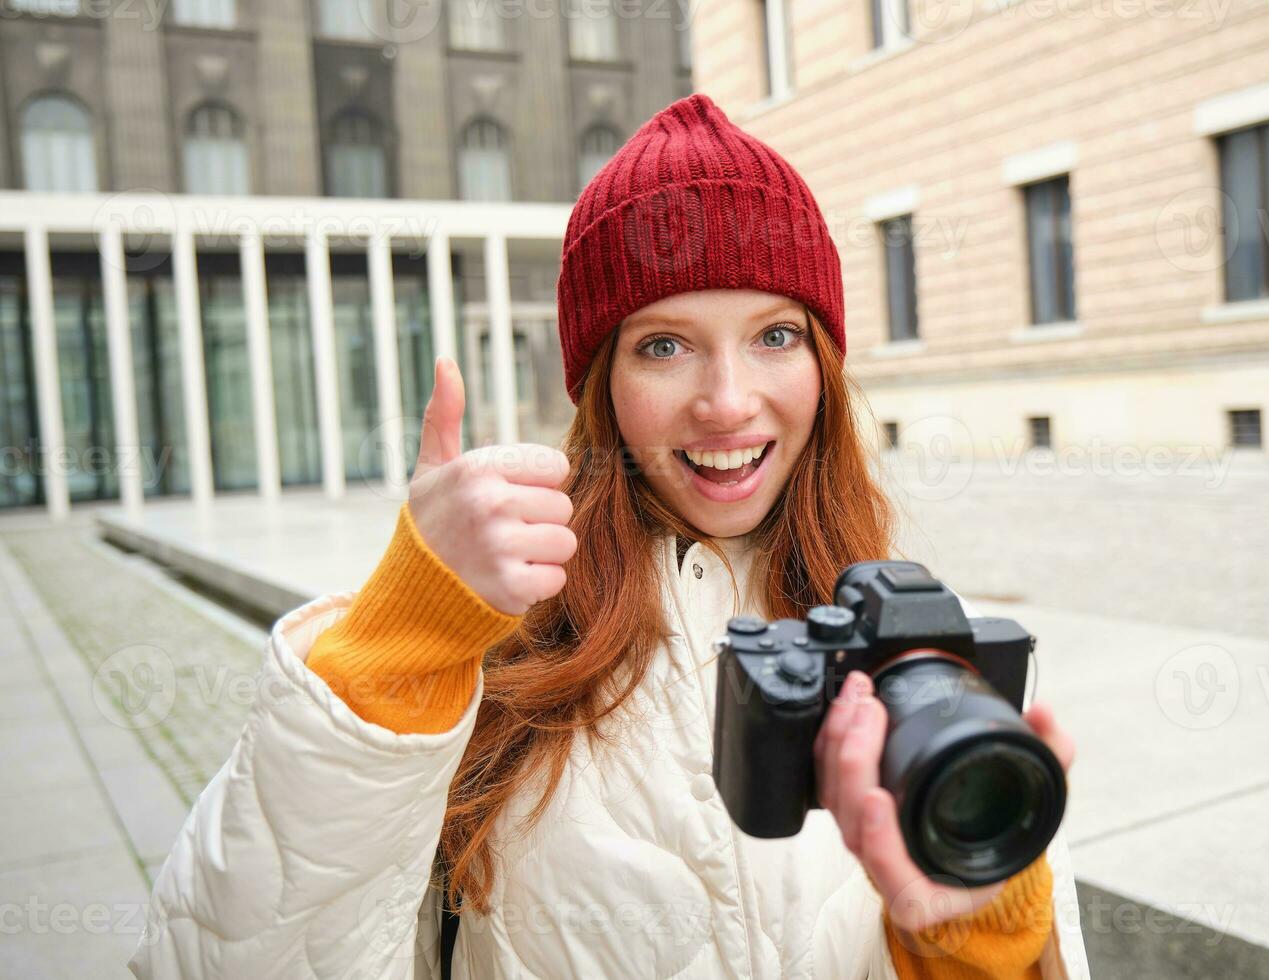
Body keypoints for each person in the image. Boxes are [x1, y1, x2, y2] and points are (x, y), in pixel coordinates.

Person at [129, 93, 1082, 980]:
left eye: (775, 336)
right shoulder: (492, 648)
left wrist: (974, 937)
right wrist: (399, 641)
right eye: (663, 345)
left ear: (825, 362)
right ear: (599, 385)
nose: (727, 401)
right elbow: (241, 949)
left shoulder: (920, 652)